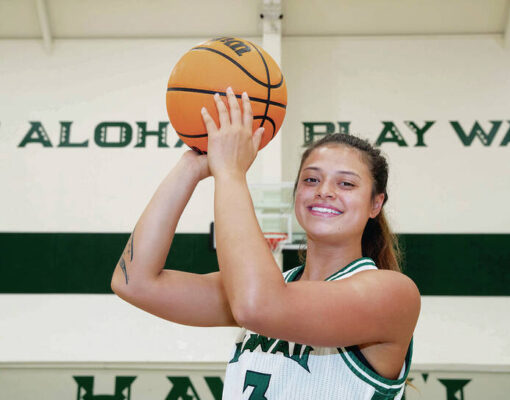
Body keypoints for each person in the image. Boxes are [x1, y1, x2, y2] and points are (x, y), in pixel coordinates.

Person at [111, 87, 420, 399]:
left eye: (346, 183)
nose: (324, 191)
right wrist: (191, 166)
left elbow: (257, 306)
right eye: (311, 179)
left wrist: (230, 173)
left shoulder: (392, 294)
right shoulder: (266, 287)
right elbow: (134, 282)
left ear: (375, 204)